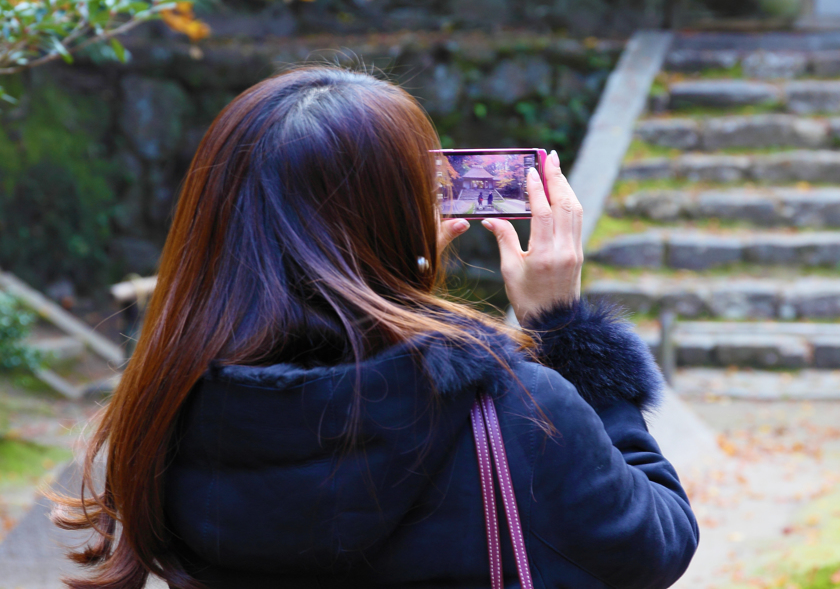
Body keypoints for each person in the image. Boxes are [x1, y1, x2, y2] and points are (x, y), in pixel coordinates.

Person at [53, 68, 698, 589]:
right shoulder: (511, 405)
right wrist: (561, 327)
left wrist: (398, 293)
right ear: (402, 221)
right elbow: (656, 544)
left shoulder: (165, 408)